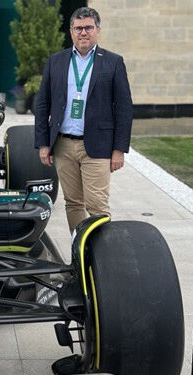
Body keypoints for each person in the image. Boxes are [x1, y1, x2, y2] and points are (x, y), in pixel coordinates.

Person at [34, 6, 133, 232]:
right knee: (73, 203)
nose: (83, 33)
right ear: (71, 32)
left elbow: (124, 108)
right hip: (63, 144)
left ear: (97, 30)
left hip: (97, 147)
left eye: (88, 27)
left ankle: (101, 258)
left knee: (97, 205)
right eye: (78, 28)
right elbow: (42, 104)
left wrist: (119, 150)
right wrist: (43, 144)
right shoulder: (55, 62)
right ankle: (79, 253)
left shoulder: (113, 62)